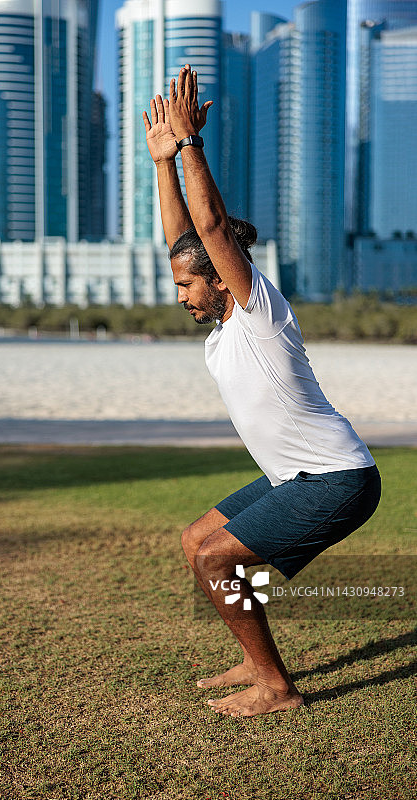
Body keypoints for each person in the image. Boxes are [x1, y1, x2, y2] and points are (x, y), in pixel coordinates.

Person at [143, 66, 382, 718]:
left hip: (337, 479)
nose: (182, 294)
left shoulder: (257, 310)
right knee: (199, 542)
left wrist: (192, 146)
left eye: (189, 286)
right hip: (295, 477)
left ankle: (277, 688)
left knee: (219, 556)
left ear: (223, 281)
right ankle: (255, 661)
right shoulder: (223, 320)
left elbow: (210, 232)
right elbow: (184, 243)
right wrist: (163, 163)